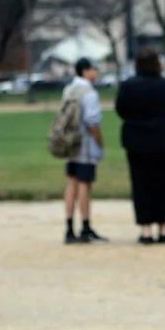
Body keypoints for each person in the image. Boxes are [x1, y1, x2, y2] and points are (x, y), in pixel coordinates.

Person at [115, 48, 165, 244]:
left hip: (137, 141)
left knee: (141, 184)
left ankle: (145, 230)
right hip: (162, 139)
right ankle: (164, 227)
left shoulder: (128, 86)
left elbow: (121, 109)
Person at [62, 58, 107, 244]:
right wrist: (100, 143)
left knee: (71, 182)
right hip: (85, 145)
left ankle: (69, 227)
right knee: (84, 184)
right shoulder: (89, 93)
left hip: (69, 143)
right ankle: (85, 226)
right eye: (93, 70)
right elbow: (92, 122)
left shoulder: (69, 89)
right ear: (85, 71)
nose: (95, 73)